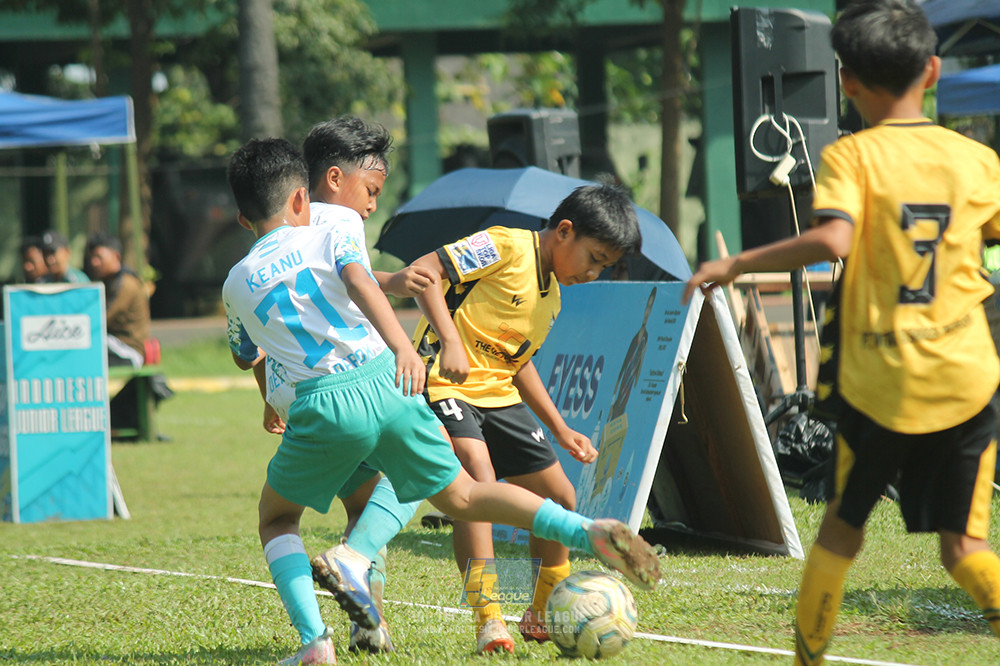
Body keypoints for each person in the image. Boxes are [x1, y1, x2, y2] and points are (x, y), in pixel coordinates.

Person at [223, 128, 660, 666]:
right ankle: (547, 562)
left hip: (317, 403)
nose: (372, 205)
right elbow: (361, 279)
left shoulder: (236, 281)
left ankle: (330, 635)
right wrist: (410, 345)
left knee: (292, 516)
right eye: (371, 191)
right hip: (393, 378)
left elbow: (248, 353)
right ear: (310, 193)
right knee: (457, 487)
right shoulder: (335, 224)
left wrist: (269, 394)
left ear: (245, 219)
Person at [682, 2, 1000, 663]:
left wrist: (736, 262)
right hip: (967, 377)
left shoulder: (852, 155)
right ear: (934, 71)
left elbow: (834, 238)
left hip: (879, 380)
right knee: (966, 550)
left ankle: (808, 659)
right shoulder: (977, 160)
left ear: (846, 81)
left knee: (840, 536)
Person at [409, 183, 642, 653]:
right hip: (443, 382)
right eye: (593, 257)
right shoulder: (500, 244)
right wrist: (450, 340)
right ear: (564, 231)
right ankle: (489, 620)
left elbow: (518, 363)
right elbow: (425, 271)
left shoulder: (551, 296)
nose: (594, 272)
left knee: (561, 494)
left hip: (497, 394)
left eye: (604, 266)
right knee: (478, 473)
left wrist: (560, 429)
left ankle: (541, 612)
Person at [84, 232, 151, 369]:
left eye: (99, 257)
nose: (94, 263)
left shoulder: (127, 284)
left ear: (116, 256)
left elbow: (103, 318)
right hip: (113, 345)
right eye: (92, 258)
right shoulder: (108, 281)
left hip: (128, 351)